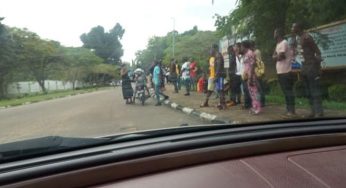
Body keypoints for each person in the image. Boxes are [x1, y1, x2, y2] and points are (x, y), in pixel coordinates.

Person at [292, 22, 323, 117]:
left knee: (314, 89)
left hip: (311, 67)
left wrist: (317, 64)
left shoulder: (307, 37)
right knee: (308, 90)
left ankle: (319, 111)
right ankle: (313, 111)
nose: (292, 28)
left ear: (299, 28)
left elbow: (317, 51)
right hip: (304, 67)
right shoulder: (298, 39)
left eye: (293, 27)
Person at [272, 28, 295, 116]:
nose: (273, 34)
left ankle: (291, 110)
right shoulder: (278, 44)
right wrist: (276, 56)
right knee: (285, 92)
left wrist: (276, 57)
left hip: (286, 71)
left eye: (274, 33)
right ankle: (288, 109)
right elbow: (273, 56)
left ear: (278, 34)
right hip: (280, 72)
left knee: (288, 91)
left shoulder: (284, 43)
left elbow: (280, 57)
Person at [200, 44, 227, 110]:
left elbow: (219, 67)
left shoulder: (218, 56)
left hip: (218, 76)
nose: (210, 51)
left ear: (214, 49)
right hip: (215, 76)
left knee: (220, 90)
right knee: (211, 90)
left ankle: (223, 105)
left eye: (211, 49)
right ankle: (208, 102)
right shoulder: (216, 57)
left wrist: (216, 76)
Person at [242, 41, 261, 115]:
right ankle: (254, 107)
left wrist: (250, 77)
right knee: (251, 92)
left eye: (242, 46)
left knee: (254, 92)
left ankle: (257, 108)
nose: (241, 48)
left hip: (251, 75)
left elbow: (253, 65)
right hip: (247, 76)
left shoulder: (250, 53)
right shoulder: (246, 54)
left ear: (245, 46)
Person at [252, 41, 266, 107]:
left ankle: (262, 102)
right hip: (259, 70)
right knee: (259, 89)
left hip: (258, 71)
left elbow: (257, 62)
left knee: (259, 89)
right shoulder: (257, 51)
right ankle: (261, 102)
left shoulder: (256, 52)